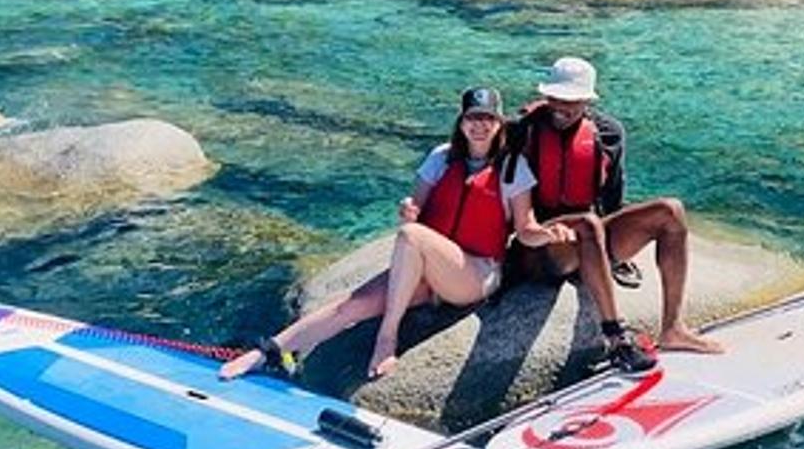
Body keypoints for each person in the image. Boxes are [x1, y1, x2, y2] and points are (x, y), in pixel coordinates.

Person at [220, 86, 564, 382]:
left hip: (474, 274)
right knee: (350, 306)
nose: (480, 125)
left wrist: (548, 235)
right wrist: (407, 210)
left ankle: (388, 335)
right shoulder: (440, 159)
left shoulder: (512, 169)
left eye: (488, 118)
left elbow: (526, 229)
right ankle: (266, 352)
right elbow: (413, 210)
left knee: (412, 236)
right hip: (425, 273)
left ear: (499, 123)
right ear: (461, 122)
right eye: (473, 117)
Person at [509, 57, 725, 370]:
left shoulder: (608, 133)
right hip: (543, 248)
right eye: (555, 97)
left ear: (587, 100)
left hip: (592, 239)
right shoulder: (522, 131)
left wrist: (618, 255)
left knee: (671, 211)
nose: (560, 106)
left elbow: (612, 199)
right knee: (587, 223)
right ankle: (616, 338)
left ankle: (673, 328)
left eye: (570, 100)